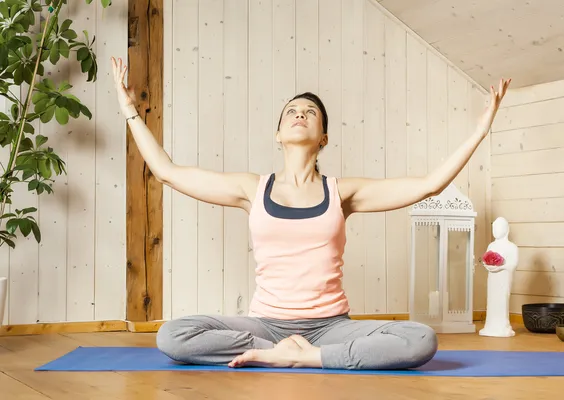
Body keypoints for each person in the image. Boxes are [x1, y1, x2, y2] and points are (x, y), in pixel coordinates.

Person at [110, 57, 510, 370]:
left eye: (310, 112)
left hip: (331, 327)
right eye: (291, 111)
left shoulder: (342, 192)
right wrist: (129, 109)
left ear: (324, 138)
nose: (300, 113)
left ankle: (304, 357)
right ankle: (277, 350)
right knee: (173, 335)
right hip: (265, 325)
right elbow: (167, 172)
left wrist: (481, 129)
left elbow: (428, 185)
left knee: (422, 338)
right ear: (278, 134)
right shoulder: (253, 188)